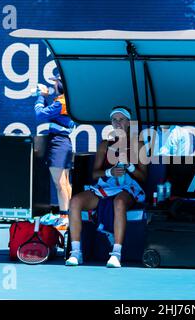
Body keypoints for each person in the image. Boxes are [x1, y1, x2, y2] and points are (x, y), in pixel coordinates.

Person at [66, 106, 147, 268]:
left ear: (129, 123)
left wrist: (129, 167)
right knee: (75, 202)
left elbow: (143, 176)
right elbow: (95, 174)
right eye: (114, 120)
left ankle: (116, 254)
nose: (117, 123)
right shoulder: (104, 144)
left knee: (119, 203)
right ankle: (76, 253)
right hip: (106, 187)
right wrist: (110, 172)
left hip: (129, 188)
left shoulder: (138, 144)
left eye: (121, 119)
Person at [34, 74, 76, 230]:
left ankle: (64, 217)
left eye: (57, 82)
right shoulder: (67, 100)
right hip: (62, 143)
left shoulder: (62, 102)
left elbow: (39, 115)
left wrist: (41, 97)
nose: (55, 85)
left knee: (60, 183)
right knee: (64, 183)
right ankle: (68, 216)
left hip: (59, 143)